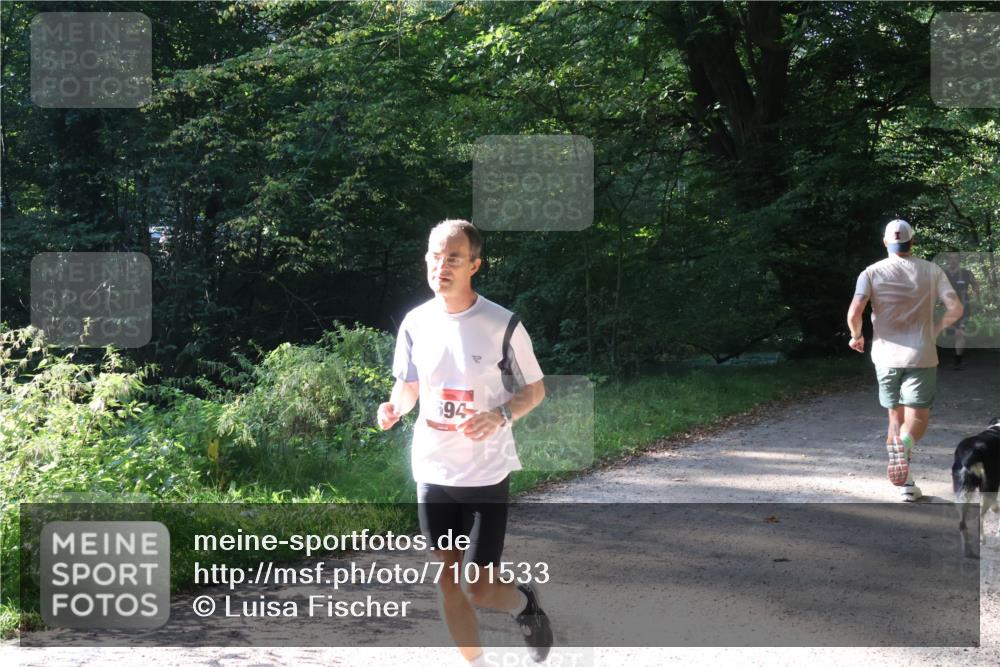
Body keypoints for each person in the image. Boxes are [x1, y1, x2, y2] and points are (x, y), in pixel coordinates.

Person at [376, 219, 553, 665]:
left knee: (479, 585)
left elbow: (534, 389)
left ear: (474, 265)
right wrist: (394, 407)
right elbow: (409, 385)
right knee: (446, 579)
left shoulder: (502, 324)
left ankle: (523, 603)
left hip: (485, 470)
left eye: (453, 257)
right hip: (433, 467)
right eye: (435, 256)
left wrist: (501, 414)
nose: (442, 265)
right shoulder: (415, 323)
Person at [847, 219, 964, 501]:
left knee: (894, 419)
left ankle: (906, 486)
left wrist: (856, 336)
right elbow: (955, 307)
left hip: (885, 356)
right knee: (918, 418)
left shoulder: (870, 273)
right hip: (921, 354)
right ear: (913, 242)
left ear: (886, 242)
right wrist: (935, 329)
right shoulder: (932, 270)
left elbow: (855, 312)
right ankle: (906, 448)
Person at [942, 254, 980, 370]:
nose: (953, 260)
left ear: (959, 260)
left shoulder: (967, 273)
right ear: (947, 260)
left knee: (959, 332)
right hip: (947, 308)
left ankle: (958, 360)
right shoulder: (942, 274)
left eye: (956, 258)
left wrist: (976, 299)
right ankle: (951, 356)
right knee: (951, 334)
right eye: (951, 258)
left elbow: (976, 287)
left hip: (964, 307)